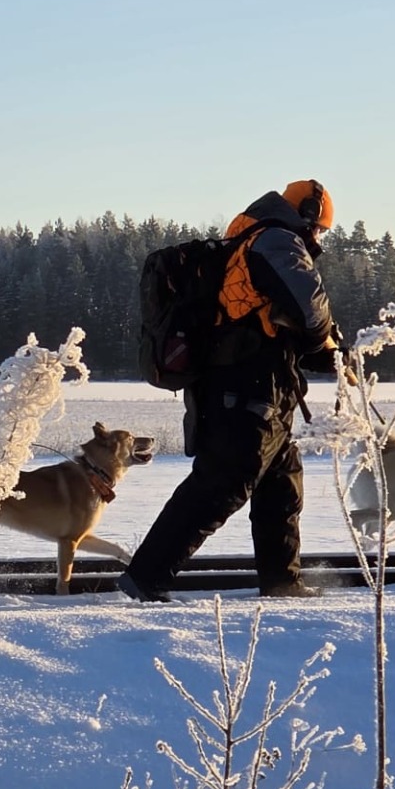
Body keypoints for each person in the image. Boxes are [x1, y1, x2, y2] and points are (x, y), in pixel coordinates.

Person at [119, 180, 342, 602]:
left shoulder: (250, 239)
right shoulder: (277, 240)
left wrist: (324, 352)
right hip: (247, 389)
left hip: (255, 389)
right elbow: (311, 312)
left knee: (280, 486)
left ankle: (282, 583)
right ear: (307, 214)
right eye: (321, 229)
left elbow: (277, 319)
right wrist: (324, 342)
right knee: (221, 485)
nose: (319, 239)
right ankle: (145, 580)